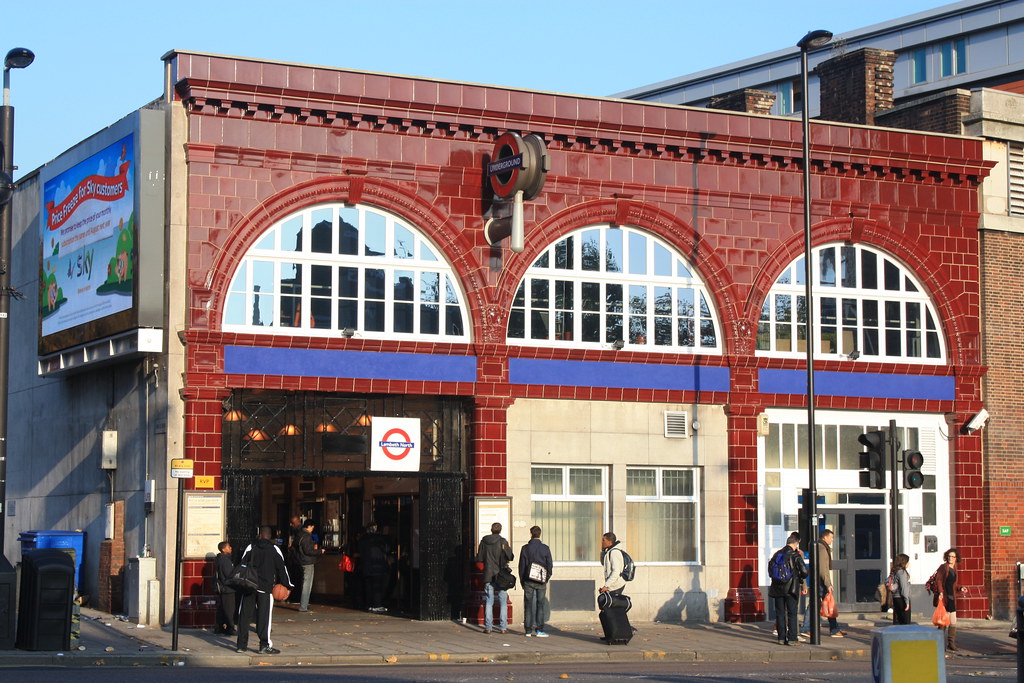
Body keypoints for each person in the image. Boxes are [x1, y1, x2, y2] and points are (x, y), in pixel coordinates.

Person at [236, 526, 292, 655]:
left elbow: (241, 565)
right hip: (265, 588)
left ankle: (241, 645)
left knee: (244, 616)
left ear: (260, 535)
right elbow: (282, 569)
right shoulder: (274, 549)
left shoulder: (251, 547)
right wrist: (287, 585)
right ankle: (263, 645)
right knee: (264, 617)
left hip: (249, 586)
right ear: (270, 536)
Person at [802, 528, 845, 638]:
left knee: (822, 603)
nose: (832, 540)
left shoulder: (820, 547)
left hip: (818, 580)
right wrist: (828, 583)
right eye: (831, 538)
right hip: (821, 582)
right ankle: (808, 628)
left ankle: (834, 628)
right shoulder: (822, 549)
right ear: (825, 537)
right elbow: (823, 568)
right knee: (819, 604)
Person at [768, 532, 808, 646]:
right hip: (791, 588)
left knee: (780, 613)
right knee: (792, 613)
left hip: (777, 587)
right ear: (796, 543)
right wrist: (799, 577)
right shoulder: (795, 555)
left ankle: (781, 638)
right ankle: (792, 638)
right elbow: (805, 571)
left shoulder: (777, 554)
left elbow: (770, 570)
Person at [475, 522, 514, 634]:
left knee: (489, 601)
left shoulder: (484, 542)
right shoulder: (502, 541)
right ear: (500, 530)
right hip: (501, 576)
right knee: (503, 601)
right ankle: (503, 627)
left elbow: (479, 558)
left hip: (488, 574)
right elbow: (510, 556)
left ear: (491, 530)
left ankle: (488, 627)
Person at [518, 525, 553, 638]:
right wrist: (546, 577)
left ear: (531, 534)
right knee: (540, 604)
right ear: (540, 534)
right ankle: (539, 629)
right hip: (541, 580)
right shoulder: (545, 548)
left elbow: (521, 566)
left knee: (528, 605)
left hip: (528, 579)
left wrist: (522, 580)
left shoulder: (525, 548)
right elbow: (549, 565)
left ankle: (528, 630)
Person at [934, 547, 968, 651]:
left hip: (952, 597)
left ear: (956, 558)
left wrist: (960, 588)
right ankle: (939, 644)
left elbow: (953, 584)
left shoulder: (954, 569)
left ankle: (951, 643)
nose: (950, 558)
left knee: (953, 621)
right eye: (949, 556)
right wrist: (940, 592)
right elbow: (938, 580)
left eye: (953, 557)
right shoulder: (944, 567)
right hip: (945, 597)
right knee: (943, 621)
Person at [358, 523, 391, 613]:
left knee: (368, 586)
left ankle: (369, 604)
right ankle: (377, 604)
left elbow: (360, 551)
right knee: (377, 586)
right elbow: (387, 549)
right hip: (378, 565)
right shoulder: (381, 539)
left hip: (366, 566)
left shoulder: (362, 539)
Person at [294, 519, 321, 612]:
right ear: (309, 526)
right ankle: (303, 606)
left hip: (301, 560)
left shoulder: (299, 534)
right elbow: (308, 550)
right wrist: (319, 551)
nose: (312, 530)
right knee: (307, 584)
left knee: (305, 583)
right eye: (312, 528)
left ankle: (304, 604)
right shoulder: (306, 536)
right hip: (307, 561)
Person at [214, 541, 237, 636]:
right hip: (228, 588)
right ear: (223, 549)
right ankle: (230, 627)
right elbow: (229, 574)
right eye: (228, 547)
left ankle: (219, 626)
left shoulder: (220, 559)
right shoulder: (225, 560)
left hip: (224, 588)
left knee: (222, 608)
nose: (231, 548)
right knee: (229, 609)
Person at [599, 532, 627, 596]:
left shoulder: (614, 552)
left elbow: (616, 571)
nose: (602, 542)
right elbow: (604, 563)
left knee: (611, 604)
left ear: (609, 542)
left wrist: (606, 585)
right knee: (610, 604)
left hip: (616, 585)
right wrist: (603, 551)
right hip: (613, 584)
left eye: (604, 540)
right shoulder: (609, 551)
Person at [890, 553, 912, 625]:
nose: (908, 563)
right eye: (907, 561)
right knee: (905, 622)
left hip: (895, 597)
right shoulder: (902, 572)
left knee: (898, 620)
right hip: (901, 598)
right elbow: (903, 588)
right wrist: (907, 601)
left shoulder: (894, 571)